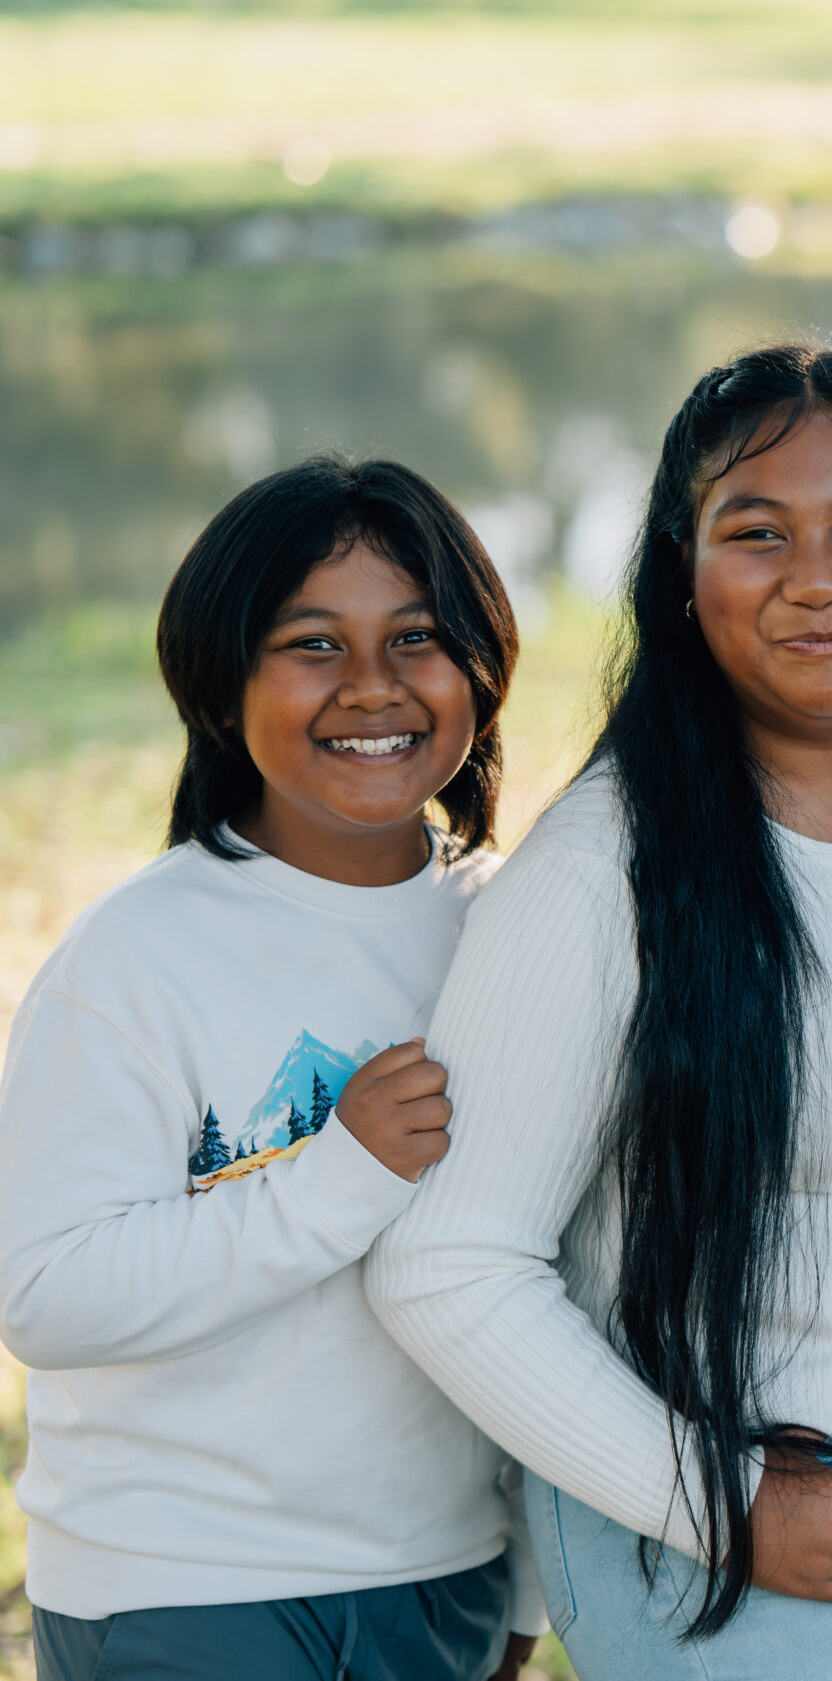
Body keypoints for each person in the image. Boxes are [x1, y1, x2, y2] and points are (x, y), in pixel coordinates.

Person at [368, 347, 832, 1680]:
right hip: (725, 1498)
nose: (816, 578)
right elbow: (449, 1265)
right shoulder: (605, 869)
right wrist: (717, 1499)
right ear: (683, 565)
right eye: (755, 532)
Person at [0, 457, 540, 1681]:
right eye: (311, 643)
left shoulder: (515, 929)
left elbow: (563, 1267)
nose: (372, 686)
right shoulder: (137, 956)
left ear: (482, 663)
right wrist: (338, 1173)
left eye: (416, 636)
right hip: (184, 1582)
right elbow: (46, 1293)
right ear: (221, 679)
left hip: (438, 1572)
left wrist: (522, 1583)